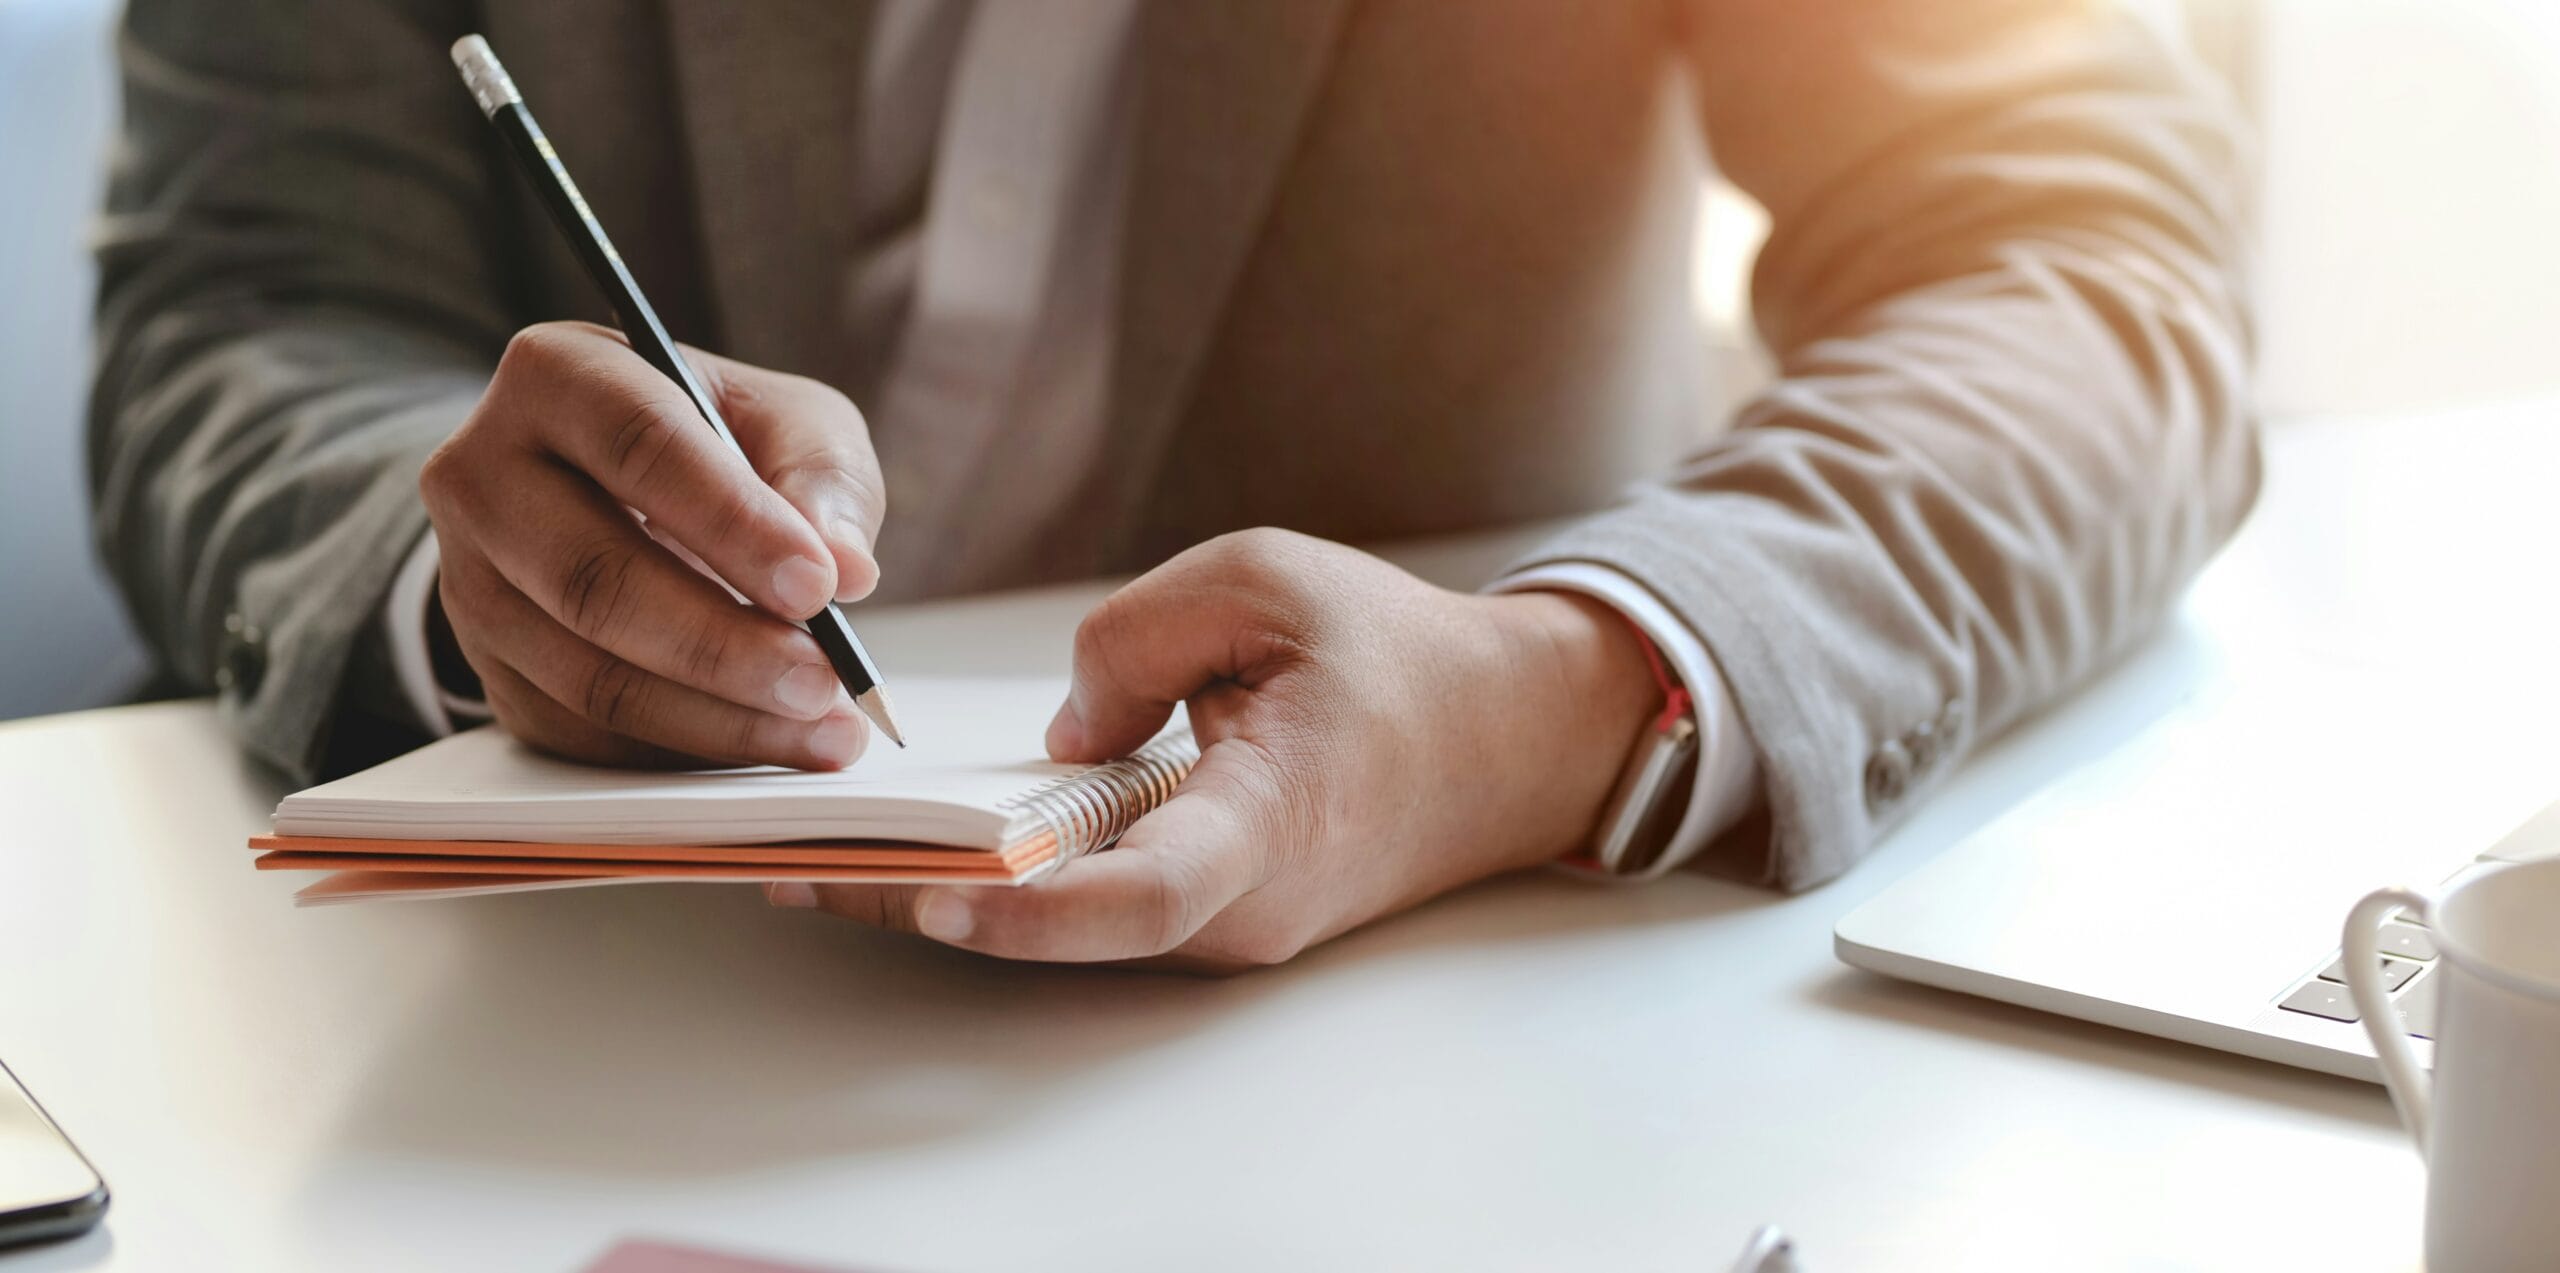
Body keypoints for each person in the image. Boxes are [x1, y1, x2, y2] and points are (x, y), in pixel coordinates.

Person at [90, 0, 2254, 969]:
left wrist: (1559, 688)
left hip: (1446, 1017)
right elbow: (251, 304)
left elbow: (2082, 268)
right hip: (535, 1019)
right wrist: (477, 577)